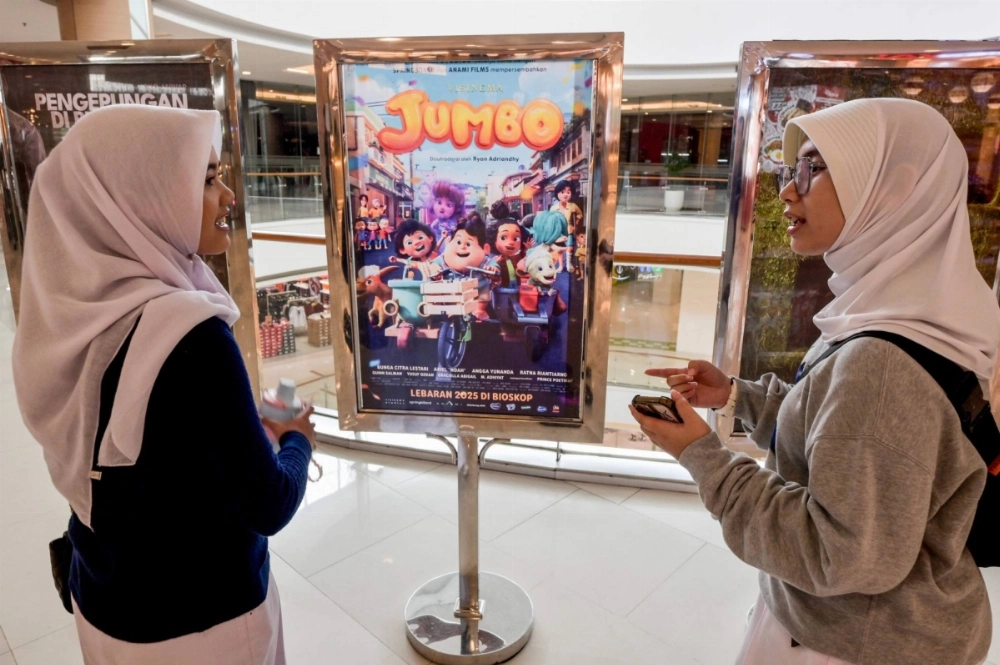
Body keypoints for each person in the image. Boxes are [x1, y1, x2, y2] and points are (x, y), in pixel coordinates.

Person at [629, 98, 997, 665]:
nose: (787, 191)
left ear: (892, 188)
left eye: (813, 168)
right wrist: (735, 394)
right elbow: (836, 432)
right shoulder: (903, 315)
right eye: (789, 170)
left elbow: (838, 556)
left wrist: (701, 454)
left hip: (849, 644)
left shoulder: (880, 364)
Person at [12, 105, 315, 665]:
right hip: (205, 624)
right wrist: (294, 437)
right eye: (206, 178)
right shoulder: (189, 336)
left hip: (103, 601)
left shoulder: (71, 321)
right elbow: (267, 503)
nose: (228, 197)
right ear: (137, 195)